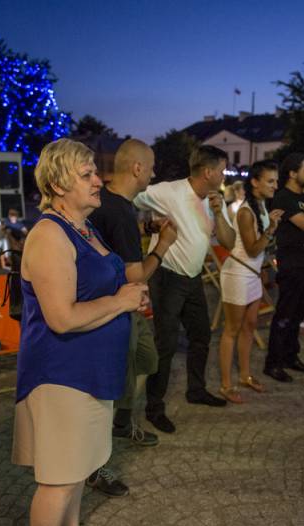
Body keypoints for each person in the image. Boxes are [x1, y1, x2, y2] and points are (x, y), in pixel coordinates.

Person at [11, 139, 148, 526]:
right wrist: (120, 301)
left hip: (91, 374)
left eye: (94, 173)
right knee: (59, 483)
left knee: (75, 478)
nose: (98, 181)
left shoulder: (84, 227)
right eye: (86, 175)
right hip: (63, 377)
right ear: (57, 185)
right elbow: (62, 317)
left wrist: (127, 296)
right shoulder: (49, 235)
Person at [87, 138, 178, 494]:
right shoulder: (120, 212)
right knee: (110, 385)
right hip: (112, 309)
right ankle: (95, 465)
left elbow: (112, 237)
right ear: (138, 168)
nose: (153, 174)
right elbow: (135, 276)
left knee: (145, 359)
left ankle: (122, 422)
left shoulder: (110, 202)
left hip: (119, 308)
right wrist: (164, 244)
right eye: (151, 167)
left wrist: (148, 229)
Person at [133, 145, 236, 433]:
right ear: (208, 172)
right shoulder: (171, 191)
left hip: (192, 278)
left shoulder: (213, 200)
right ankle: (154, 408)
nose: (225, 175)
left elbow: (228, 242)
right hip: (166, 276)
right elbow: (132, 194)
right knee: (165, 344)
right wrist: (148, 226)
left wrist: (220, 213)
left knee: (201, 335)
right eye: (222, 170)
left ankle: (196, 390)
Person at [217, 161, 282, 403]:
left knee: (250, 325)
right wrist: (271, 229)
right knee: (231, 330)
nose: (275, 185)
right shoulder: (245, 212)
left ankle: (245, 375)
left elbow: (260, 250)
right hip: (238, 274)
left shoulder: (261, 206)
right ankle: (226, 385)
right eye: (270, 181)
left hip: (252, 274)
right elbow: (253, 249)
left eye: (276, 181)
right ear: (255, 182)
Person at [264, 153, 304, 384]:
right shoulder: (284, 197)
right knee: (285, 313)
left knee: (299, 313)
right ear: (292, 173)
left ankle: (290, 356)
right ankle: (273, 362)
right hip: (293, 263)